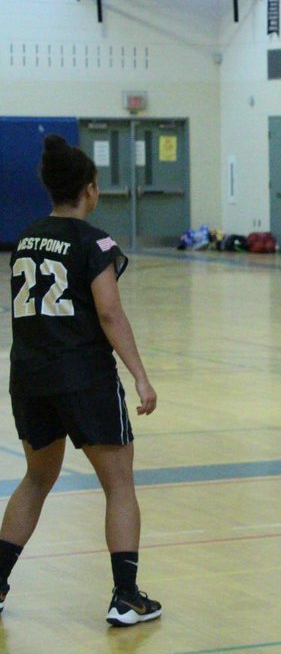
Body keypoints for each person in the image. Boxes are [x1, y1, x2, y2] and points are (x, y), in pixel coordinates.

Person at [2, 135, 162, 627]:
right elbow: (110, 315)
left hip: (30, 378)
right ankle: (126, 596)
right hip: (85, 378)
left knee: (36, 479)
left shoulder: (26, 237)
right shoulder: (96, 243)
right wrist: (140, 377)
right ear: (90, 190)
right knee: (119, 486)